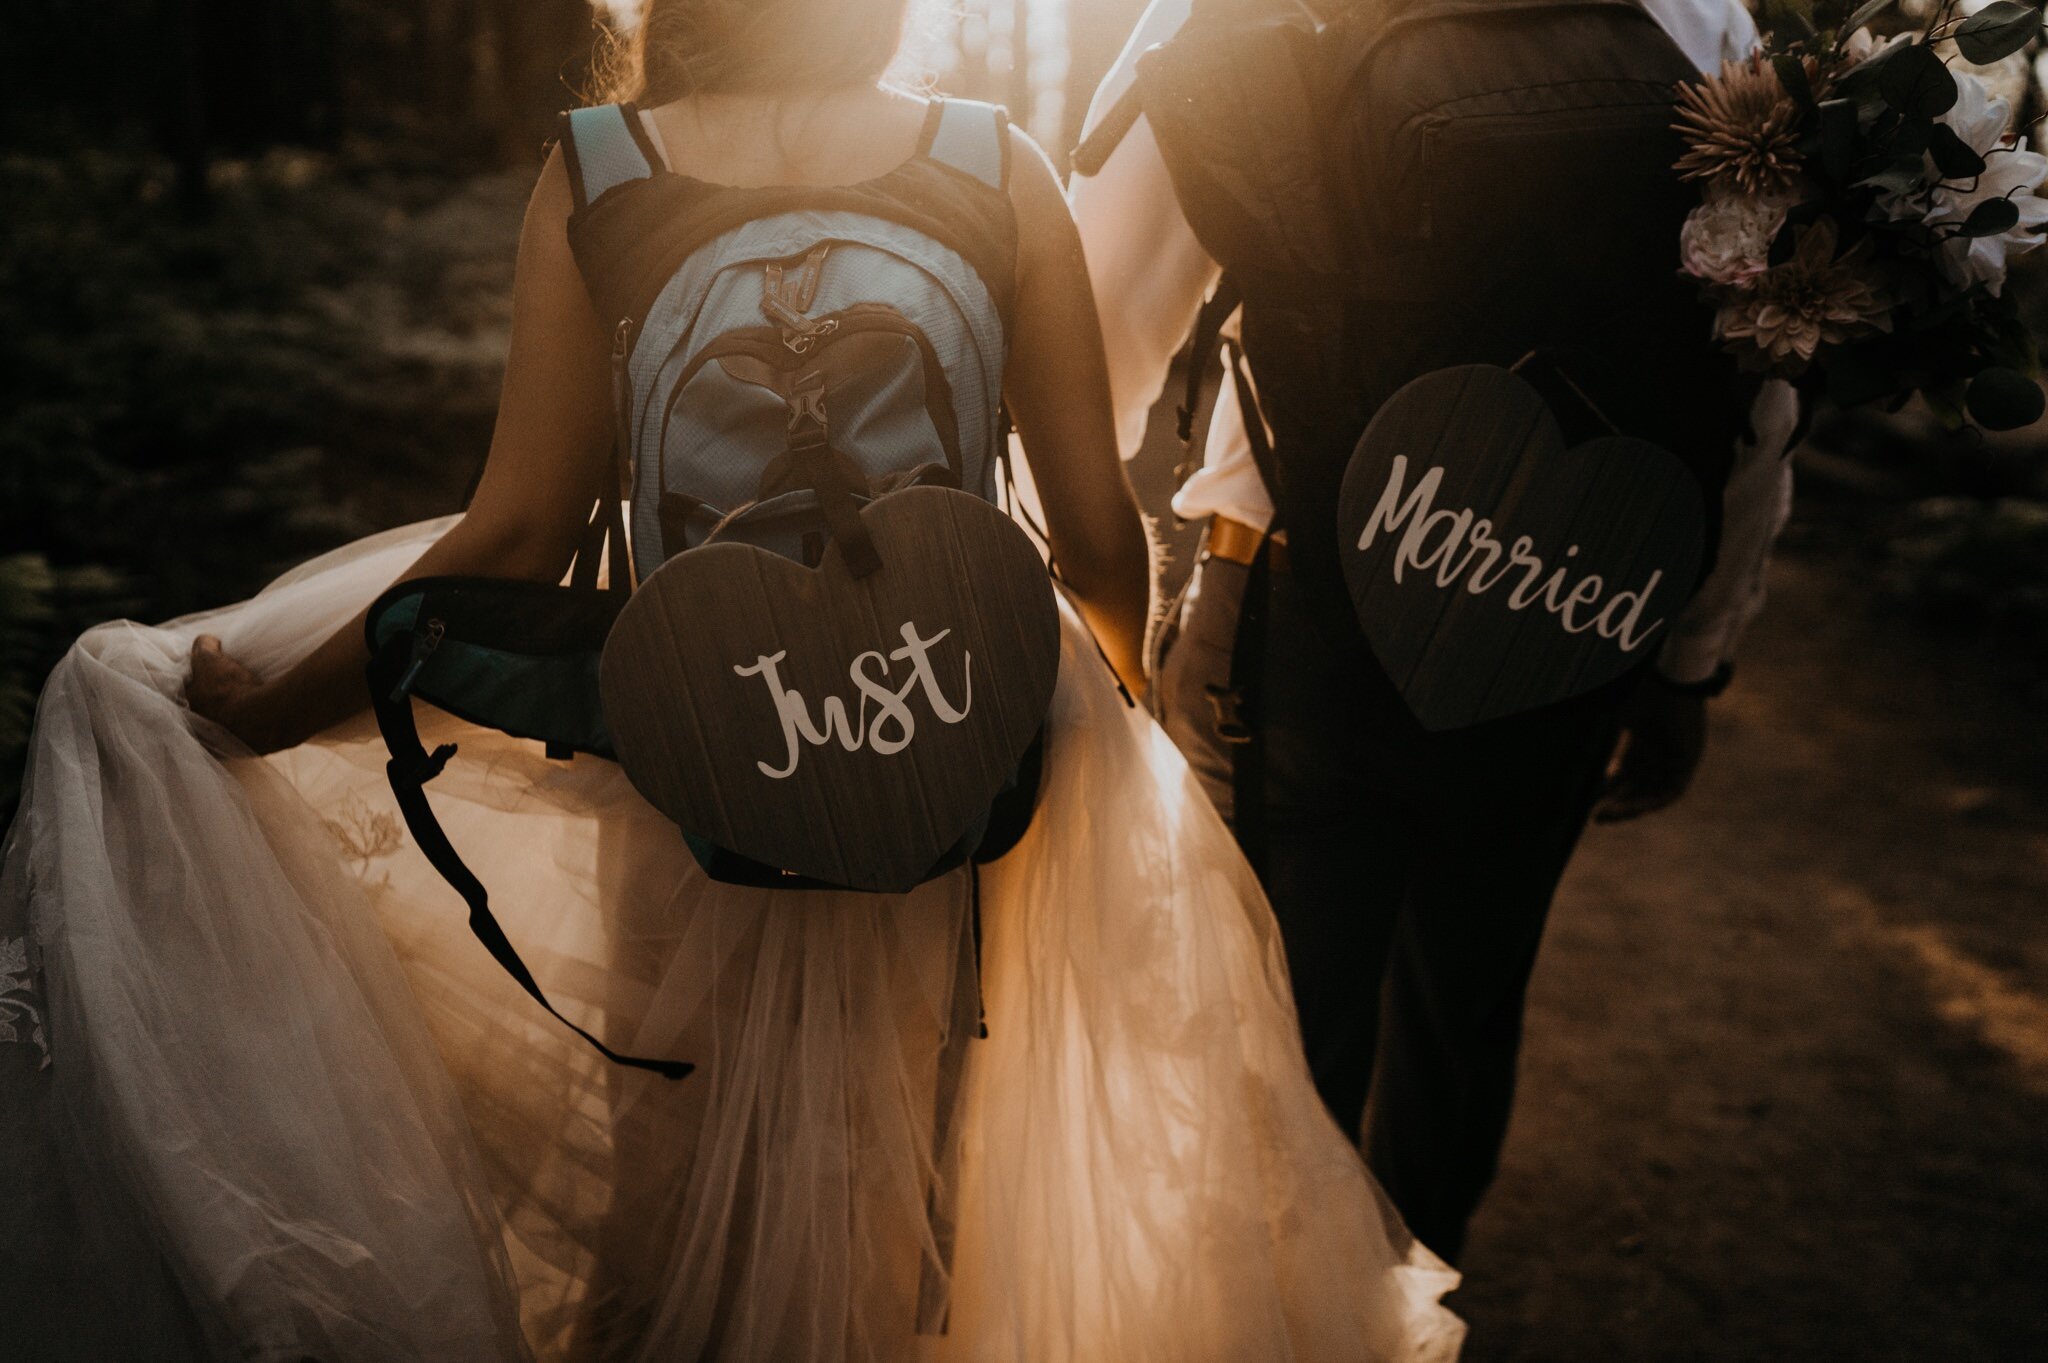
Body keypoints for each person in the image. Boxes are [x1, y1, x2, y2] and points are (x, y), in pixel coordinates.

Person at [0, 2, 1466, 1360]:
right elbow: (1092, 527)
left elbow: (514, 528)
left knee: (673, 1174)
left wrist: (272, 702)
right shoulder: (991, 158)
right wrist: (1114, 704)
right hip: (943, 734)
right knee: (906, 1179)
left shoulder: (601, 167)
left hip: (691, 737)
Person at [1071, 0, 1800, 1264]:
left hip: (1299, 601)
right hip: (1578, 602)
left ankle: (1265, 1318)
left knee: (1271, 1016)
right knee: (1463, 1008)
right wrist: (1688, 658)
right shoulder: (1708, 21)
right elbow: (1761, 379)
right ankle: (1423, 1292)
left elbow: (1104, 324)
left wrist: (1087, 587)